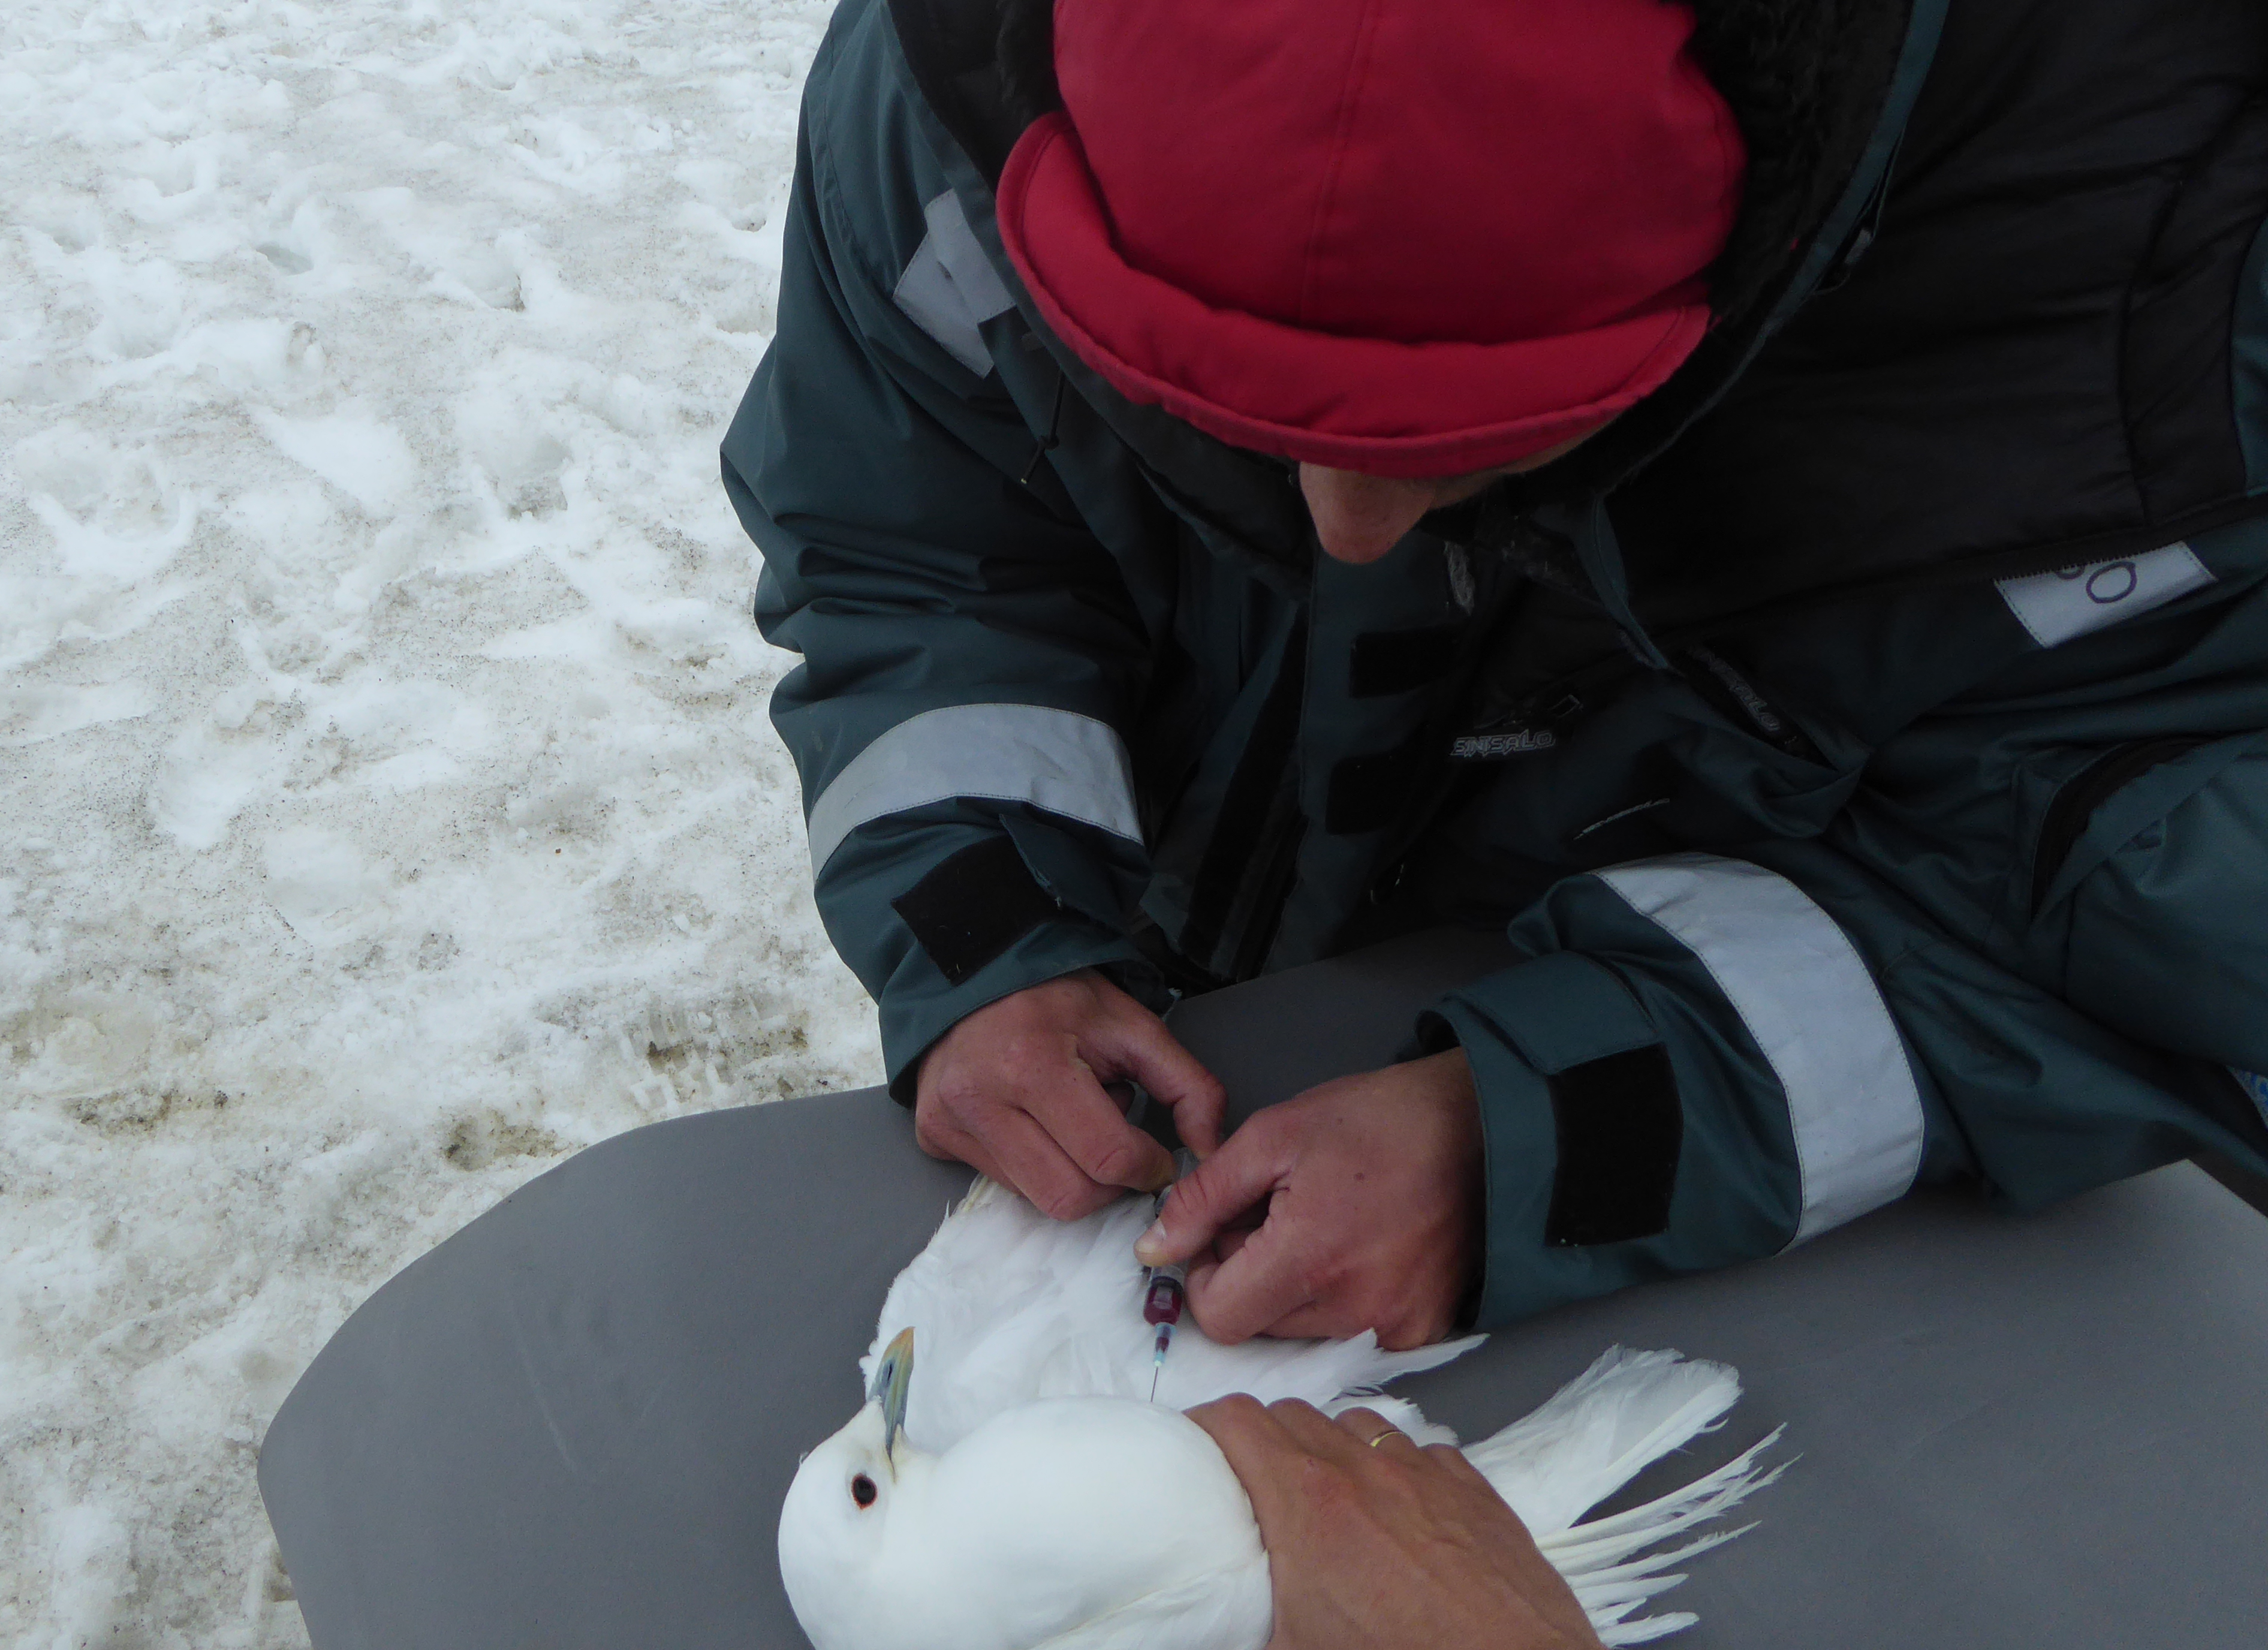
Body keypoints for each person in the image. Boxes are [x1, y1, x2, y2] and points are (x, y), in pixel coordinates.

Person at [724, 0, 2268, 1635]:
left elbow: (2120, 923)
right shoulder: (951, 100)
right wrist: (987, 922)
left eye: (1472, 429)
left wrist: (1544, 1128)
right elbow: (915, 549)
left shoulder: (2175, 316)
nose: (1347, 528)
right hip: (1228, 971)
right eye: (1203, 396)